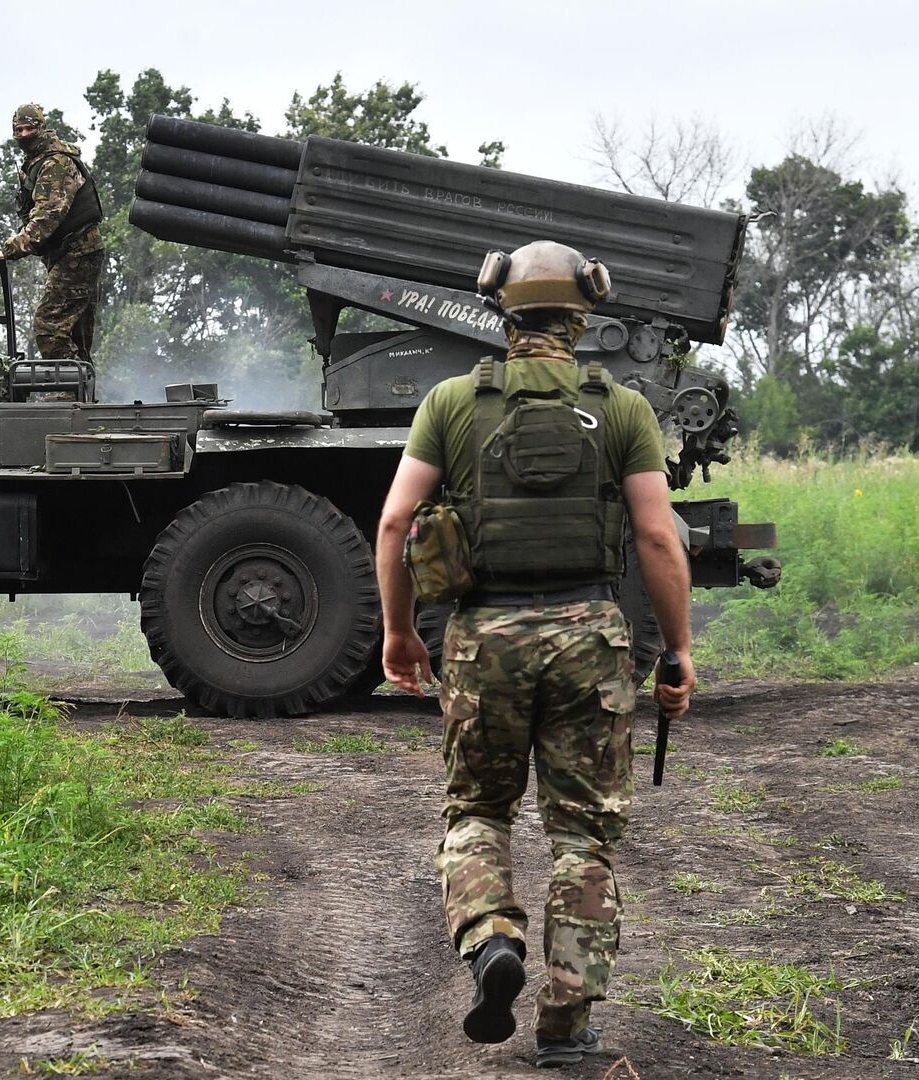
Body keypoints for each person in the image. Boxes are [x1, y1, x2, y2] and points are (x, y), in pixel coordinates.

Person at [372, 241, 696, 1068]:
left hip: (485, 641)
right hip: (590, 639)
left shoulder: (452, 402)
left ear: (502, 310)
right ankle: (567, 1027)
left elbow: (396, 524)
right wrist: (678, 650)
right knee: (584, 837)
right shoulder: (622, 409)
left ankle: (489, 942)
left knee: (478, 811)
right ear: (583, 316)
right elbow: (658, 537)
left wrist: (400, 632)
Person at [0, 103, 104, 363]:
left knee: (49, 326)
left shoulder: (56, 163)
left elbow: (48, 216)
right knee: (74, 333)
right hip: (71, 254)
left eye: (28, 129)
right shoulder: (36, 163)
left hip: (78, 252)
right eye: (18, 130)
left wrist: (8, 251)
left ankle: (66, 392)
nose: (23, 135)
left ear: (40, 129)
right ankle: (80, 395)